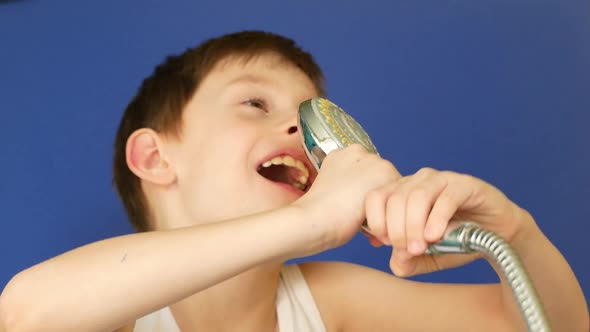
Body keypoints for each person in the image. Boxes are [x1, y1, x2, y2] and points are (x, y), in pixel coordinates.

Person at [0, 30, 587, 332]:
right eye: (254, 103)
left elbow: (545, 325)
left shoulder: (326, 300)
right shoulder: (119, 314)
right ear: (156, 159)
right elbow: (26, 316)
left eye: (312, 115)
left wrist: (515, 231)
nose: (297, 127)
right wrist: (307, 222)